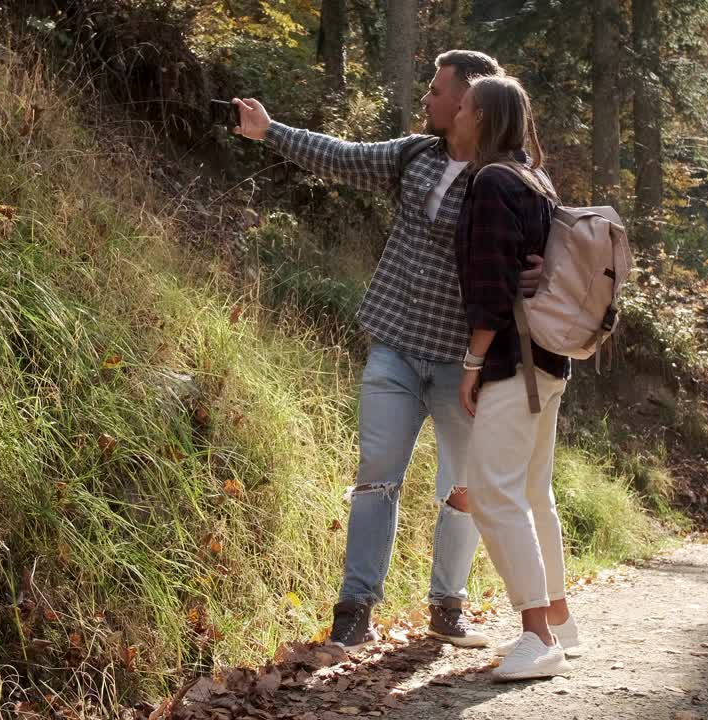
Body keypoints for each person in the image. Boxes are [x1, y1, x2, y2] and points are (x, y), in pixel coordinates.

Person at [232, 51, 544, 651]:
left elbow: (542, 249)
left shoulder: (508, 178)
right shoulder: (413, 155)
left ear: (469, 104)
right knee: (376, 478)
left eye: (437, 91)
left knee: (465, 489)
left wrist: (534, 275)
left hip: (465, 366)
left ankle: (446, 605)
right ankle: (355, 609)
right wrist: (269, 130)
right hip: (395, 349)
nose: (427, 99)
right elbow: (342, 157)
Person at [452, 75, 582, 681]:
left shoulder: (491, 182)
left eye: (462, 106)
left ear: (481, 117)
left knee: (492, 488)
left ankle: (538, 636)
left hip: (514, 360)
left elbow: (491, 284)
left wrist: (474, 363)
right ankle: (560, 617)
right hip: (552, 360)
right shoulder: (538, 180)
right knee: (533, 491)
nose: (453, 113)